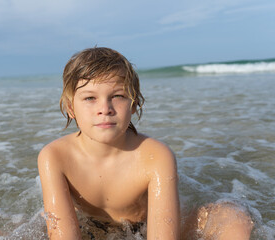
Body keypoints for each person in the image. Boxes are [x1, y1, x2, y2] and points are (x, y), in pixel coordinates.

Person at [38, 47, 253, 240]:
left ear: (134, 104)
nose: (105, 108)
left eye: (118, 96)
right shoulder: (55, 157)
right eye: (90, 98)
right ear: (70, 108)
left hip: (148, 225)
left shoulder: (155, 156)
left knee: (234, 216)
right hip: (91, 226)